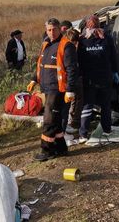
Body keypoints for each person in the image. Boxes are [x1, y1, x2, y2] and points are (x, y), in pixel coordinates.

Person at [27, 18, 79, 161]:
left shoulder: (66, 46)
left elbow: (72, 70)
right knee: (55, 120)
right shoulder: (46, 44)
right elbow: (40, 64)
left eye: (54, 29)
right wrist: (34, 79)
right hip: (46, 87)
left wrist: (70, 90)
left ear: (59, 29)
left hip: (58, 89)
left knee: (49, 120)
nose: (52, 32)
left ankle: (47, 150)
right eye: (49, 30)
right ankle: (61, 148)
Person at [77, 15, 118, 142]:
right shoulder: (84, 40)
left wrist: (114, 71)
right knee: (100, 106)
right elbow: (113, 57)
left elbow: (113, 56)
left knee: (92, 105)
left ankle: (85, 134)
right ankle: (104, 131)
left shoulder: (85, 39)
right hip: (97, 78)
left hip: (98, 78)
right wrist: (114, 71)